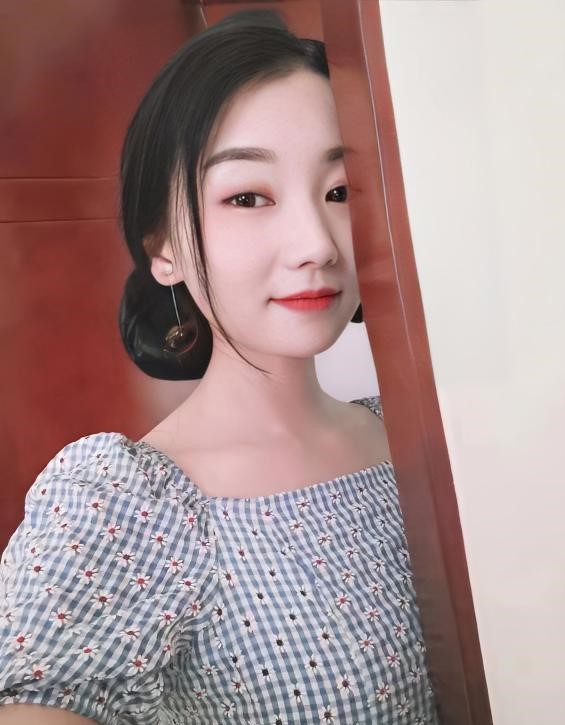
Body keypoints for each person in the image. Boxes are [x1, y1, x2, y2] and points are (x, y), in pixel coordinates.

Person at [0, 10, 439, 725]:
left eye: (341, 190)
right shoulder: (125, 504)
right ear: (163, 246)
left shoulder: (414, 441)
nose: (317, 243)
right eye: (247, 197)